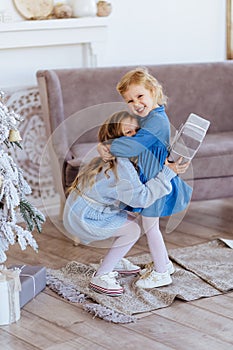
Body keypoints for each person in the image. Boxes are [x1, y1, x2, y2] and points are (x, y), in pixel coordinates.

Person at [63, 111, 189, 296]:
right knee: (132, 230)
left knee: (129, 219)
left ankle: (116, 259)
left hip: (79, 210)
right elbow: (142, 198)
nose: (136, 137)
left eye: (138, 132)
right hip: (86, 217)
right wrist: (168, 173)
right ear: (116, 139)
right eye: (128, 133)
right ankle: (102, 275)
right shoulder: (122, 164)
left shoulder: (114, 156)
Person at [97, 67, 193, 289]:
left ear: (153, 91)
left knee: (151, 227)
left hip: (155, 182)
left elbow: (135, 146)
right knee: (149, 225)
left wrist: (108, 146)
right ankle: (164, 265)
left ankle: (161, 272)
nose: (136, 104)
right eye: (129, 101)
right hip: (152, 180)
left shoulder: (156, 121)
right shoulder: (151, 117)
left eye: (140, 96)